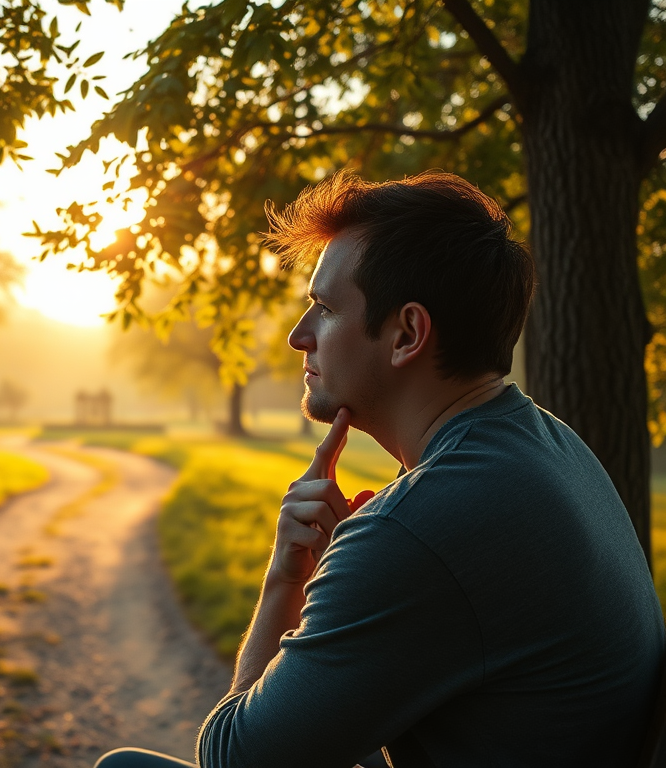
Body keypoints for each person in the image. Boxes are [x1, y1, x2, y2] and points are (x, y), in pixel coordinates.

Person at [94, 170, 666, 768]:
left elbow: (234, 760)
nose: (298, 337)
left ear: (406, 334)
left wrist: (284, 583)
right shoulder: (550, 445)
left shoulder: (419, 526)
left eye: (324, 308)